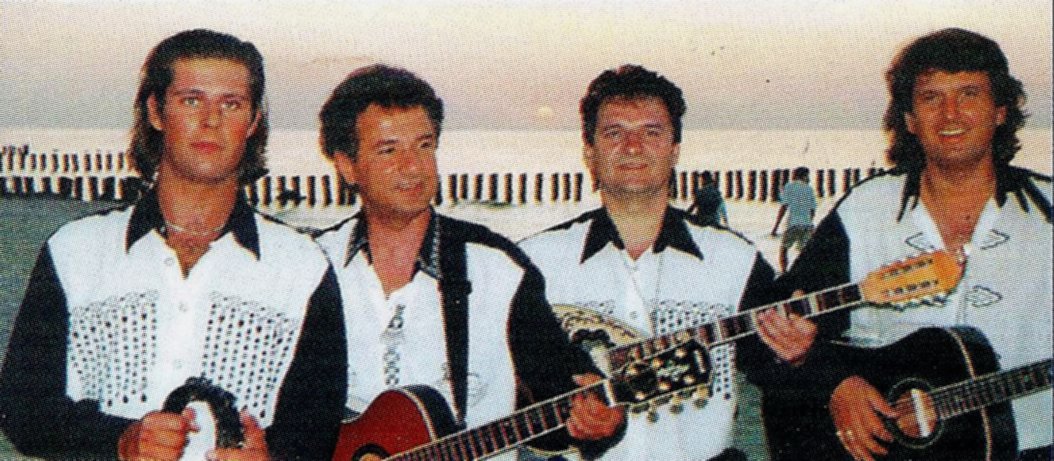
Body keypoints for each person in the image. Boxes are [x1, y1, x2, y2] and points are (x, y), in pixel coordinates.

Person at [0, 29, 347, 460]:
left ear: (253, 122)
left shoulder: (304, 267)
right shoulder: (74, 251)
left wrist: (271, 458)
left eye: (231, 104)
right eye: (191, 100)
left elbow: (317, 432)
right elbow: (22, 409)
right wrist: (119, 441)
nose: (211, 120)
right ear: (156, 111)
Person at [314, 64, 624, 461]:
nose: (413, 166)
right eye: (389, 150)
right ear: (346, 165)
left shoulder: (498, 268)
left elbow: (562, 388)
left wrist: (601, 421)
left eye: (424, 145)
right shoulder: (313, 267)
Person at [769, 28, 1052, 461]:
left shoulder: (1048, 212)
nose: (950, 113)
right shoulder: (864, 210)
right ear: (909, 119)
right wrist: (835, 383)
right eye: (931, 97)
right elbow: (779, 319)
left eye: (969, 94)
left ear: (1000, 110)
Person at [519, 64, 814, 461]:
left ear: (675, 151)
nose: (633, 147)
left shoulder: (735, 260)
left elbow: (778, 375)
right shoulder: (534, 262)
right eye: (614, 133)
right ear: (589, 152)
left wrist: (799, 355)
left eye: (652, 132)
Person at [769, 166, 817, 272]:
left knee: (783, 249)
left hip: (792, 224)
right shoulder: (809, 189)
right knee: (803, 252)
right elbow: (812, 211)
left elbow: (783, 207)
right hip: (807, 225)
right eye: (807, 176)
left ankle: (784, 271)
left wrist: (775, 227)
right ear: (804, 176)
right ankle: (803, 272)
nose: (808, 178)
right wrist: (809, 222)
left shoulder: (789, 187)